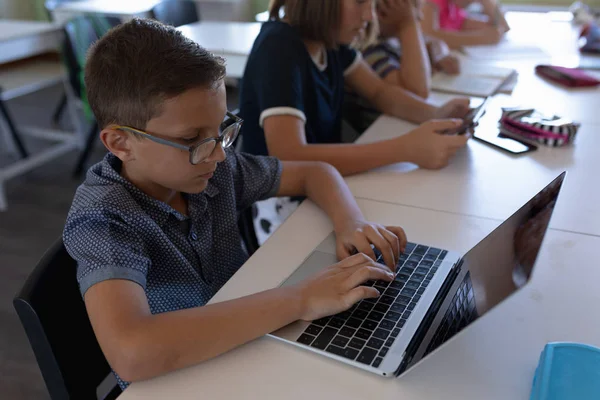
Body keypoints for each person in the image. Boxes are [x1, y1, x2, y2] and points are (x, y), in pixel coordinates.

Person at [63, 18, 408, 389]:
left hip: (249, 342)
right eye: (193, 138)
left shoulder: (210, 168)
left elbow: (316, 173)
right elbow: (133, 352)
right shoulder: (104, 218)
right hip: (180, 381)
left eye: (220, 129)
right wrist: (300, 299)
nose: (220, 155)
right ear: (120, 143)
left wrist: (350, 223)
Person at [240, 0, 472, 241]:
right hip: (281, 210)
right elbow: (289, 154)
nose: (370, 16)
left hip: (324, 191)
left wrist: (435, 113)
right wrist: (405, 149)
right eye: (361, 2)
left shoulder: (330, 42)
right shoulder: (278, 47)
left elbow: (381, 94)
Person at [347, 0, 461, 132]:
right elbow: (418, 91)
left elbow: (434, 42)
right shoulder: (370, 52)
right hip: (383, 132)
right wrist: (408, 24)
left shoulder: (393, 40)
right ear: (383, 10)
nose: (420, 17)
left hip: (401, 128)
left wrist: (440, 54)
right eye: (414, 11)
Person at [421, 0, 510, 49]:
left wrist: (486, 2)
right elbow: (427, 35)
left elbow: (502, 27)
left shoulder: (455, 8)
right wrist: (479, 39)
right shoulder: (431, 3)